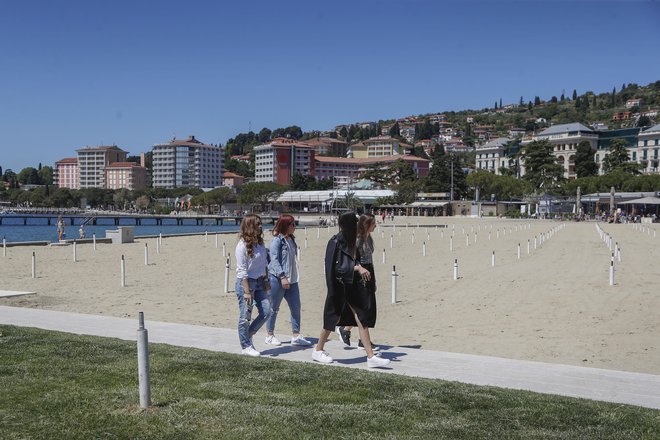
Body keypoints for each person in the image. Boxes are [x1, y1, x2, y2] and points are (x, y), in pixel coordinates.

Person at [312, 212, 390, 368]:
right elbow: (334, 268)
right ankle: (318, 349)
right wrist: (358, 268)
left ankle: (370, 356)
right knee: (331, 320)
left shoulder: (350, 241)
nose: (357, 225)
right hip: (339, 286)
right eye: (354, 223)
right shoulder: (336, 241)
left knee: (361, 318)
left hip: (351, 285)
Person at [264, 214, 312, 347]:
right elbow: (273, 260)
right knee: (273, 308)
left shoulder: (291, 239)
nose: (294, 227)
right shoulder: (277, 240)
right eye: (292, 224)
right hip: (278, 280)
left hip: (293, 280)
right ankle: (269, 334)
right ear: (285, 225)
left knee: (296, 307)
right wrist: (282, 276)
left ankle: (296, 335)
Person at [336, 213, 379, 351]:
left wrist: (374, 281)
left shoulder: (369, 238)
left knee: (368, 308)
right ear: (366, 224)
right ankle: (348, 331)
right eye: (373, 224)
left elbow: (370, 260)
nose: (375, 226)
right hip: (360, 275)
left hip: (369, 272)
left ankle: (353, 334)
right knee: (363, 309)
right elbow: (352, 261)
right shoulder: (358, 240)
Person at [235, 214, 272, 357]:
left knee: (267, 311)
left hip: (260, 282)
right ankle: (245, 346)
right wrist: (246, 291)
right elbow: (242, 271)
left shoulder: (260, 243)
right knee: (245, 316)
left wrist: (266, 280)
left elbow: (264, 264)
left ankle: (248, 335)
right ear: (250, 227)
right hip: (246, 284)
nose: (261, 226)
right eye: (258, 224)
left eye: (261, 223)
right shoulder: (242, 246)